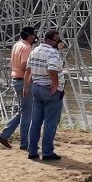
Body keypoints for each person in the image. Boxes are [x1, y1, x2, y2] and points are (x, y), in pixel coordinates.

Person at [24, 29, 65, 162]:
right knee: (50, 122)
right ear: (48, 40)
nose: (59, 42)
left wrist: (26, 86)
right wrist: (56, 83)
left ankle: (32, 151)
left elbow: (28, 70)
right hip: (50, 90)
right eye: (56, 39)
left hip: (36, 87)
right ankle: (47, 152)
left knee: (35, 121)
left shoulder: (34, 51)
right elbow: (52, 69)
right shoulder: (52, 53)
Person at [0, 26, 36, 149]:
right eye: (33, 35)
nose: (34, 37)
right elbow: (25, 65)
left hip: (16, 80)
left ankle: (4, 135)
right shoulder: (27, 48)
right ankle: (24, 143)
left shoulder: (17, 45)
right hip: (24, 82)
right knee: (27, 114)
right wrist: (29, 80)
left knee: (22, 111)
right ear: (29, 36)